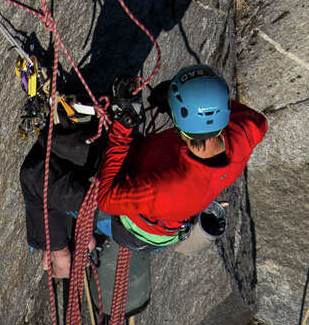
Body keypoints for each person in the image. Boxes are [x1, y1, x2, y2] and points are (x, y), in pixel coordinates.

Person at [20, 66, 268, 275]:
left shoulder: (171, 187)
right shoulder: (243, 132)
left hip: (128, 221)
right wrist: (172, 102)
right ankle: (76, 227)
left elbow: (106, 199)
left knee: (34, 176)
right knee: (54, 139)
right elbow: (257, 121)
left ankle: (59, 251)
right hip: (138, 165)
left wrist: (121, 131)